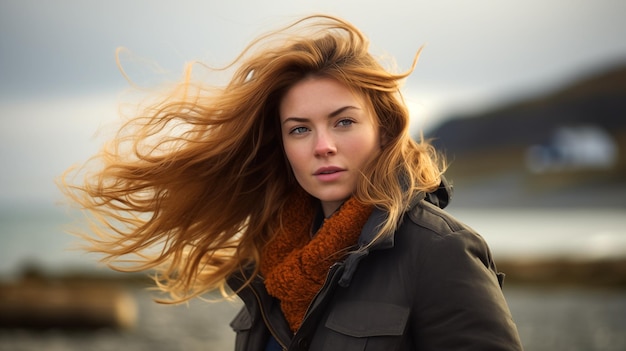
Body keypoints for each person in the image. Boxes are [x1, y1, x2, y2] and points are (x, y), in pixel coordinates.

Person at [61, 14, 523, 350]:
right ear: (282, 145)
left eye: (343, 122)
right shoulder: (270, 261)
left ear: (382, 130)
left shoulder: (438, 253)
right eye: (300, 129)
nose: (322, 145)